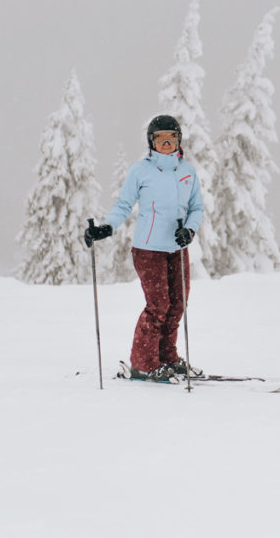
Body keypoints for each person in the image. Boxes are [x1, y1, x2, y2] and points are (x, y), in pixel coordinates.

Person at [85, 115, 204, 382]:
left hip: (177, 248)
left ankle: (167, 357)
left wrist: (190, 229)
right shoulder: (141, 171)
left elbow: (197, 208)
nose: (165, 142)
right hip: (148, 250)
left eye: (171, 137)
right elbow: (124, 205)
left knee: (177, 304)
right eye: (160, 137)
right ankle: (144, 363)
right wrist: (107, 227)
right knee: (158, 304)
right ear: (151, 141)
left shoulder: (187, 171)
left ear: (179, 140)